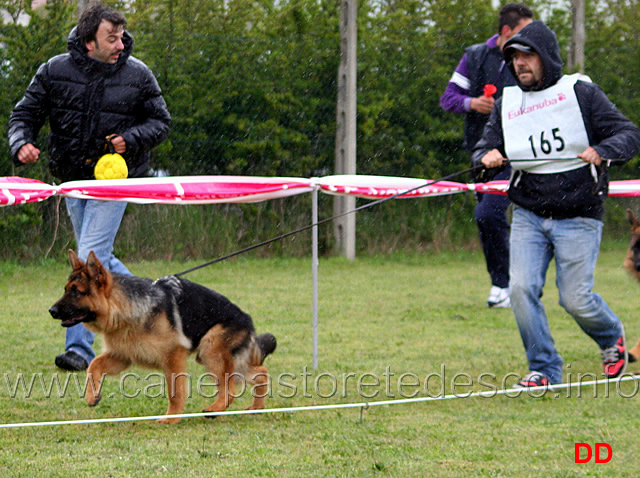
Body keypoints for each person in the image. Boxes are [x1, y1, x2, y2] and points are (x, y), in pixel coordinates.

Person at [472, 20, 640, 387]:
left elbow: (629, 134)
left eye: (527, 55)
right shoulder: (506, 103)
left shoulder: (580, 92)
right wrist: (487, 158)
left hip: (580, 214)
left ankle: (611, 336)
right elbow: (482, 151)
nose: (519, 64)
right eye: (513, 57)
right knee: (520, 290)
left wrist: (603, 151)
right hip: (529, 214)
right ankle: (543, 369)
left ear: (546, 56)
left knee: (575, 299)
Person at [8, 1, 171, 371]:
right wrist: (21, 144)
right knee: (100, 259)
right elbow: (24, 114)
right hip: (71, 180)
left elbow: (160, 122)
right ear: (88, 42)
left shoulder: (138, 74)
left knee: (90, 255)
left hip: (116, 181)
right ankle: (157, 300)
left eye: (121, 37)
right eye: (111, 38)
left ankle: (79, 349)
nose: (120, 45)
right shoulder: (54, 70)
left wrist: (129, 139)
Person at [440, 3, 533, 308]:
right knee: (486, 217)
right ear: (506, 31)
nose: (529, 37)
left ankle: (513, 285)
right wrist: (472, 104)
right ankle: (502, 285)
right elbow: (448, 98)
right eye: (523, 30)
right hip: (484, 155)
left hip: (525, 155)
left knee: (496, 214)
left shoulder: (533, 57)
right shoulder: (476, 56)